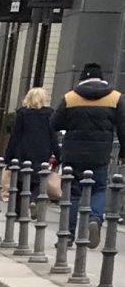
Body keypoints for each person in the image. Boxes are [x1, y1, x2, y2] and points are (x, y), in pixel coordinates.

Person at [54, 63, 122, 233]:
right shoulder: (115, 98)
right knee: (99, 188)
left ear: (82, 78)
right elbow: (123, 127)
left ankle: (67, 234)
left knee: (73, 192)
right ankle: (95, 218)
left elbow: (55, 123)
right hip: (100, 155)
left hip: (73, 154)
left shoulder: (70, 97)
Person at [6, 85, 56, 217]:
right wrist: (58, 154)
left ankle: (17, 212)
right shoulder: (50, 113)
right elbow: (53, 135)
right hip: (42, 151)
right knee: (39, 179)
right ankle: (34, 200)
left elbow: (15, 135)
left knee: (20, 182)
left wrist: (8, 156)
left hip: (23, 150)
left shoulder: (23, 113)